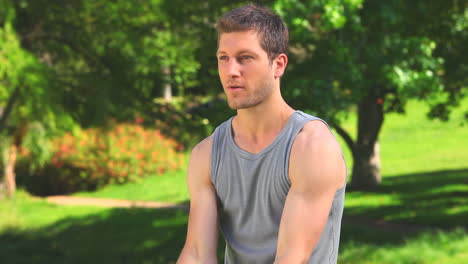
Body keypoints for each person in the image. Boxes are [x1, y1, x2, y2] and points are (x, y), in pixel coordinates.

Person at [177, 4, 346, 264]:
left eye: (245, 58)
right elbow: (197, 255)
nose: (231, 70)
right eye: (224, 58)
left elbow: (292, 257)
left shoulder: (311, 146)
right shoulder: (206, 154)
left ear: (278, 65)